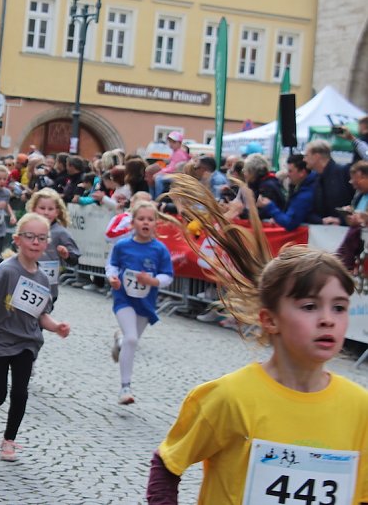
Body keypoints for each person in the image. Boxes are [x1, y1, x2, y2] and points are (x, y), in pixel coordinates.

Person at [146, 174, 368, 505]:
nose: (327, 319)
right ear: (270, 319)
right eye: (309, 306)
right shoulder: (229, 398)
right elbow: (167, 465)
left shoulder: (360, 408)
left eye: (339, 307)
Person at [0, 213, 71, 462]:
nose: (36, 242)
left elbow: (42, 315)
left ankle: (9, 440)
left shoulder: (43, 279)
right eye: (30, 236)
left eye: (41, 238)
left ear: (47, 243)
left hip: (27, 342)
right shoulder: (6, 270)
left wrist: (56, 327)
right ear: (17, 240)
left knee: (20, 391)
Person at [106, 200, 173, 405]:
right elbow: (112, 265)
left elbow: (168, 276)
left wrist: (152, 281)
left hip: (145, 303)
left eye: (150, 219)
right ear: (133, 222)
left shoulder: (160, 249)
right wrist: (112, 278)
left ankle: (119, 342)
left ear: (156, 223)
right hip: (123, 298)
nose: (145, 222)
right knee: (133, 339)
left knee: (129, 341)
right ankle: (125, 388)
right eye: (141, 218)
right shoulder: (122, 246)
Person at [26, 188, 79, 303]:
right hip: (25, 284)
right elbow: (16, 247)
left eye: (50, 209)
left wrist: (66, 255)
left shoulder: (61, 233)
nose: (46, 212)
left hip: (48, 289)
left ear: (57, 212)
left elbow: (74, 258)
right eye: (42, 208)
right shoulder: (27, 227)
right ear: (34, 209)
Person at [257, 153, 317, 231]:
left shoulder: (305, 195)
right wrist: (278, 217)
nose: (287, 174)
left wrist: (270, 206)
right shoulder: (302, 188)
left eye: (290, 171)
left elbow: (289, 222)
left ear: (302, 172)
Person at [304, 139, 355, 225]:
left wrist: (341, 220)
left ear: (316, 156)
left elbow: (356, 204)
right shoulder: (314, 179)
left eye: (306, 155)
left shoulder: (344, 173)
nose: (304, 159)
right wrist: (321, 221)